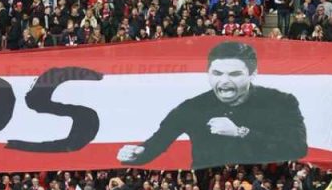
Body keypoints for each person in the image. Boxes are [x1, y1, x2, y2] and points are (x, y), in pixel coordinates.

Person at [117, 42, 308, 169]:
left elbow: (297, 148)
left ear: (252, 74)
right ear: (207, 73)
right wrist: (137, 153)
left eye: (234, 74)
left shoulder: (281, 102)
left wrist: (240, 132)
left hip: (261, 188)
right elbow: (157, 143)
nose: (224, 81)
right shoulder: (191, 108)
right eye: (217, 73)